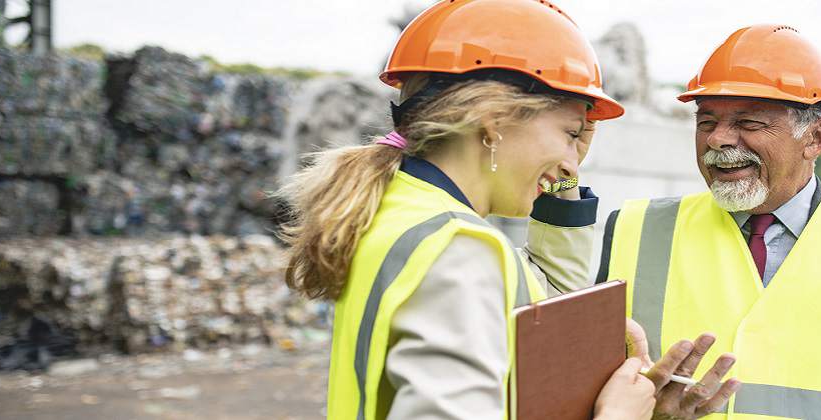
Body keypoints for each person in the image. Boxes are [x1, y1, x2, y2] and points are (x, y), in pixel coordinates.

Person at [536, 24, 821, 419]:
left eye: (748, 123)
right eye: (707, 121)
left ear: (817, 137)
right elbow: (586, 385)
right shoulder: (635, 227)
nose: (718, 140)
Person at [275, 1, 657, 418]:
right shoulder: (459, 249)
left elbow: (541, 298)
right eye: (569, 133)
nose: (574, 161)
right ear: (494, 120)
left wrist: (561, 173)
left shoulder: (400, 210)